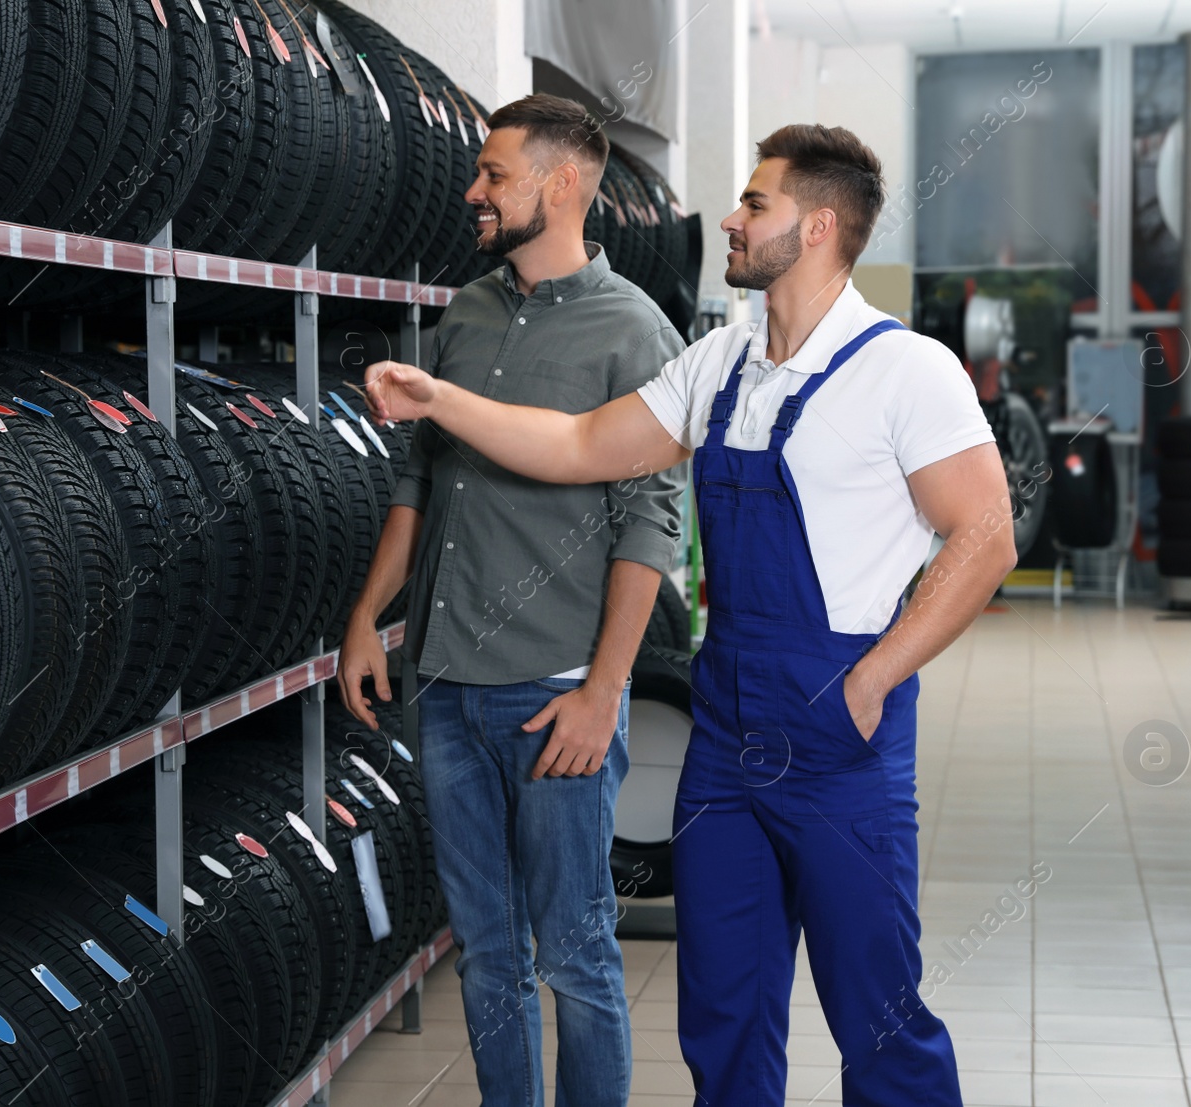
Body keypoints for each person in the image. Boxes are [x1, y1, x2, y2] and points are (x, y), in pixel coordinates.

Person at [360, 123, 1018, 1106]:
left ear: (821, 227)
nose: (732, 217)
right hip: (725, 730)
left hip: (838, 728)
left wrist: (876, 677)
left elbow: (985, 538)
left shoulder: (904, 370)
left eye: (756, 203)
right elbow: (581, 443)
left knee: (875, 1012)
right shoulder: (721, 366)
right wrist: (441, 400)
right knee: (723, 1009)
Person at [335, 93, 685, 1107]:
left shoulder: (637, 336)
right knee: (485, 953)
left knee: (573, 956)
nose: (473, 189)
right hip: (444, 690)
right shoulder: (468, 311)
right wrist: (369, 618)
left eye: (495, 173)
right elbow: (420, 485)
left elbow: (648, 528)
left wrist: (603, 692)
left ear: (564, 183)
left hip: (553, 695)